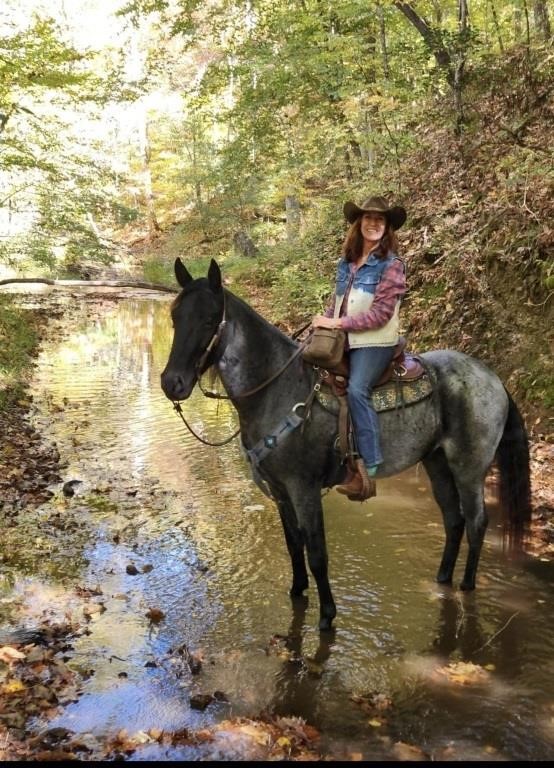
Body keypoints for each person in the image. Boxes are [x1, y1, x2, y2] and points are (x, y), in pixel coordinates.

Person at [312, 195, 407, 500]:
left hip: (376, 341)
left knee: (357, 389)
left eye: (380, 220)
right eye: (368, 218)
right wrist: (323, 322)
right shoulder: (347, 263)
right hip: (346, 338)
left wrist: (338, 325)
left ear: (387, 227)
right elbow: (336, 303)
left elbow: (380, 314)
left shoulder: (392, 266)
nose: (373, 224)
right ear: (359, 223)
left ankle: (370, 465)